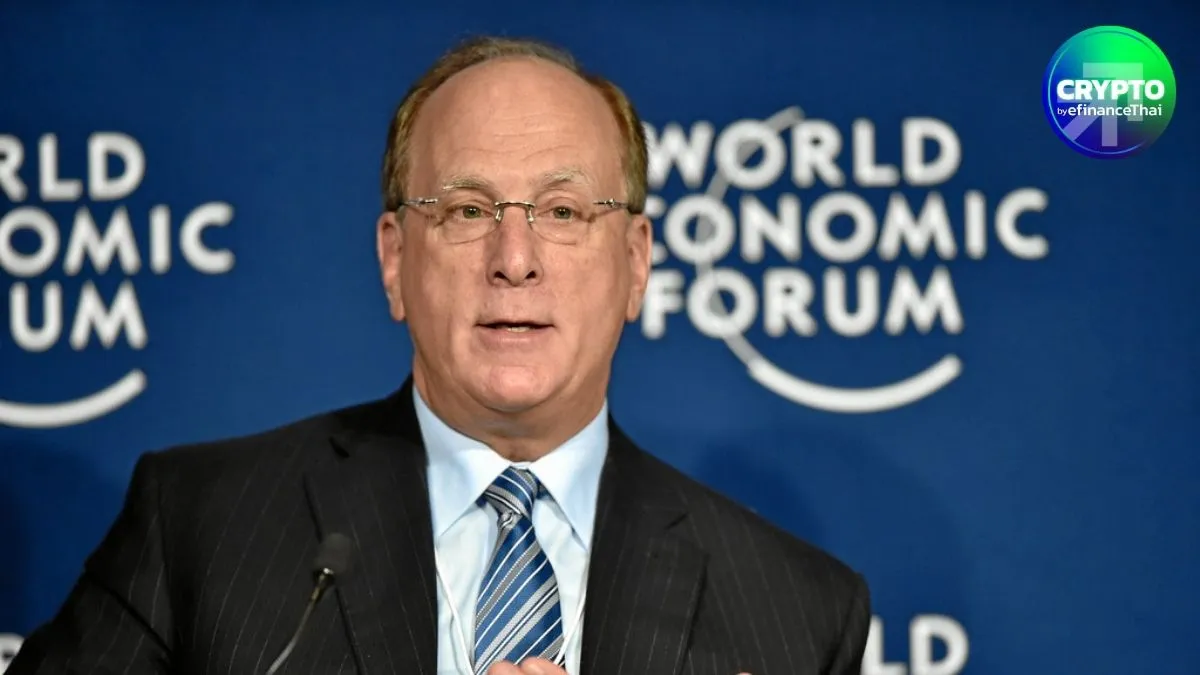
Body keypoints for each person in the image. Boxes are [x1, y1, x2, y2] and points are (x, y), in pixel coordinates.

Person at [8, 35, 871, 675]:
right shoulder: (202, 527)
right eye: (466, 211)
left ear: (636, 263)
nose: (514, 259)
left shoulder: (796, 612)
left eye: (562, 212)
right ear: (394, 261)